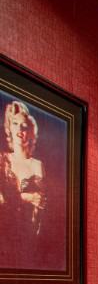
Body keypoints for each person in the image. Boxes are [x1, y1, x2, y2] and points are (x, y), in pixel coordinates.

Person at [2, 100, 46, 237]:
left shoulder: (37, 165)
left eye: (24, 126)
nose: (20, 130)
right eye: (15, 124)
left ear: (31, 133)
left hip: (28, 237)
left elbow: (41, 206)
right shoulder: (2, 159)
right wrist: (25, 197)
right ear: (9, 127)